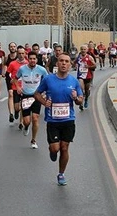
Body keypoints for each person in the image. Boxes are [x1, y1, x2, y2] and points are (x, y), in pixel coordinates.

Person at [33, 53, 84, 186]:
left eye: (66, 61)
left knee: (65, 148)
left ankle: (61, 174)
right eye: (61, 61)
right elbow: (37, 93)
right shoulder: (49, 80)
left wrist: (76, 98)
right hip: (53, 120)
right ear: (57, 64)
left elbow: (80, 101)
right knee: (55, 148)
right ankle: (52, 151)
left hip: (68, 120)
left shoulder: (74, 81)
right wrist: (44, 102)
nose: (63, 64)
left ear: (70, 65)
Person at [16, 51, 48, 149]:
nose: (32, 60)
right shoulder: (22, 69)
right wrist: (18, 87)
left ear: (37, 60)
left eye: (34, 59)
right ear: (28, 59)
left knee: (35, 118)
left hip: (36, 96)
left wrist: (45, 93)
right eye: (30, 59)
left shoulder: (41, 70)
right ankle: (26, 126)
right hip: (25, 96)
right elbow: (14, 79)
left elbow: (48, 81)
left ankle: (33, 140)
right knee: (27, 121)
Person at [7, 46, 28, 129]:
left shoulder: (27, 63)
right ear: (17, 53)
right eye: (19, 53)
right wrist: (11, 79)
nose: (21, 55)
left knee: (23, 105)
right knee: (17, 107)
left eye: (23, 53)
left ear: (25, 54)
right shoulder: (13, 64)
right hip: (15, 87)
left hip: (25, 88)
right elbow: (8, 73)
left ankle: (21, 122)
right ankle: (16, 111)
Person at [74, 44, 96, 109]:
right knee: (81, 89)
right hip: (80, 76)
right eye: (82, 49)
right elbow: (73, 63)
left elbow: (95, 66)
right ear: (80, 50)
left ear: (87, 50)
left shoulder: (89, 57)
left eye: (84, 49)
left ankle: (86, 99)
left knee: (87, 91)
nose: (83, 50)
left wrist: (88, 66)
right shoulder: (78, 57)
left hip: (88, 76)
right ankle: (81, 103)